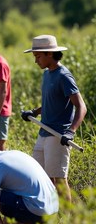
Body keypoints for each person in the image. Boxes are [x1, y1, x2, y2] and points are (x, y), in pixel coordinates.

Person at [21, 35, 87, 202]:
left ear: (49, 54)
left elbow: (81, 106)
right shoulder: (47, 74)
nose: (36, 61)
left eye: (38, 56)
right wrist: (34, 112)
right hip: (44, 132)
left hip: (57, 134)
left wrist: (71, 131)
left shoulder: (64, 75)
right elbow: (52, 102)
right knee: (40, 177)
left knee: (58, 179)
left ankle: (68, 221)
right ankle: (50, 217)